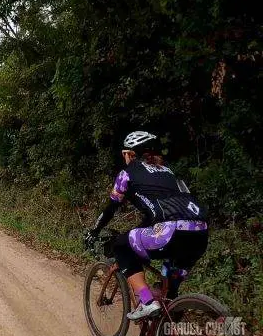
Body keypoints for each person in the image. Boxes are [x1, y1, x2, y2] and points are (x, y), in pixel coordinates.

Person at [87, 131, 209, 320]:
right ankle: (165, 334)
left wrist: (94, 230)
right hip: (200, 234)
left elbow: (111, 208)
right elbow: (164, 211)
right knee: (169, 294)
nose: (124, 158)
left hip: (171, 232)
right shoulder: (170, 172)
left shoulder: (127, 173)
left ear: (131, 154)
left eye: (124, 153)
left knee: (121, 246)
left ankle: (146, 301)